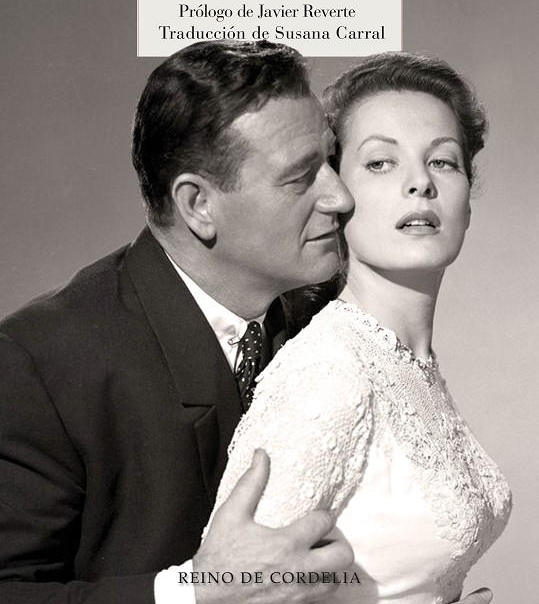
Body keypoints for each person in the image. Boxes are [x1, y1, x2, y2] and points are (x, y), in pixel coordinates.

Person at [0, 40, 355, 604]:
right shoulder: (37, 364)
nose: (340, 196)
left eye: (331, 161)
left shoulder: (329, 314)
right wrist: (194, 593)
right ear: (198, 205)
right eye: (300, 177)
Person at [209, 52, 512, 604]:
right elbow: (232, 593)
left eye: (443, 162)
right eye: (380, 163)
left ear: (468, 201)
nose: (420, 183)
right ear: (335, 198)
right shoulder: (328, 373)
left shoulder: (409, 363)